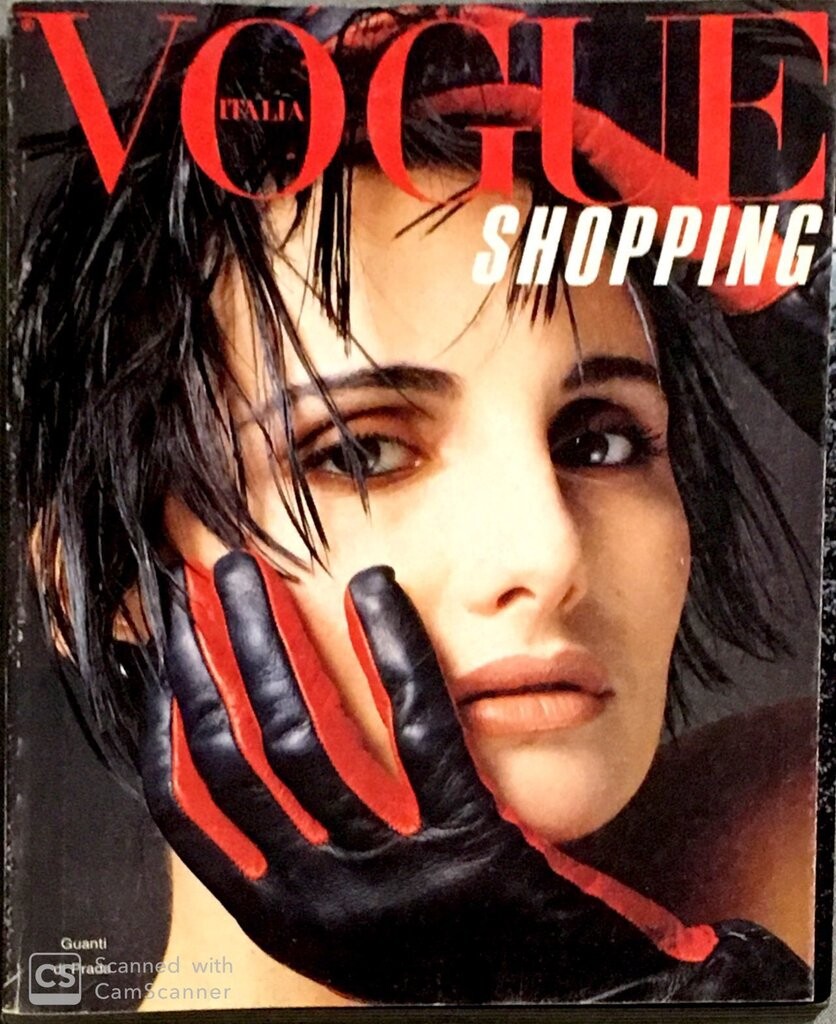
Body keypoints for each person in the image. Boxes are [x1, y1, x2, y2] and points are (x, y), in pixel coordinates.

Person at [14, 4, 827, 1006]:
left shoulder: (790, 846)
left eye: (598, 441)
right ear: (100, 580)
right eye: (361, 450)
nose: (548, 552)